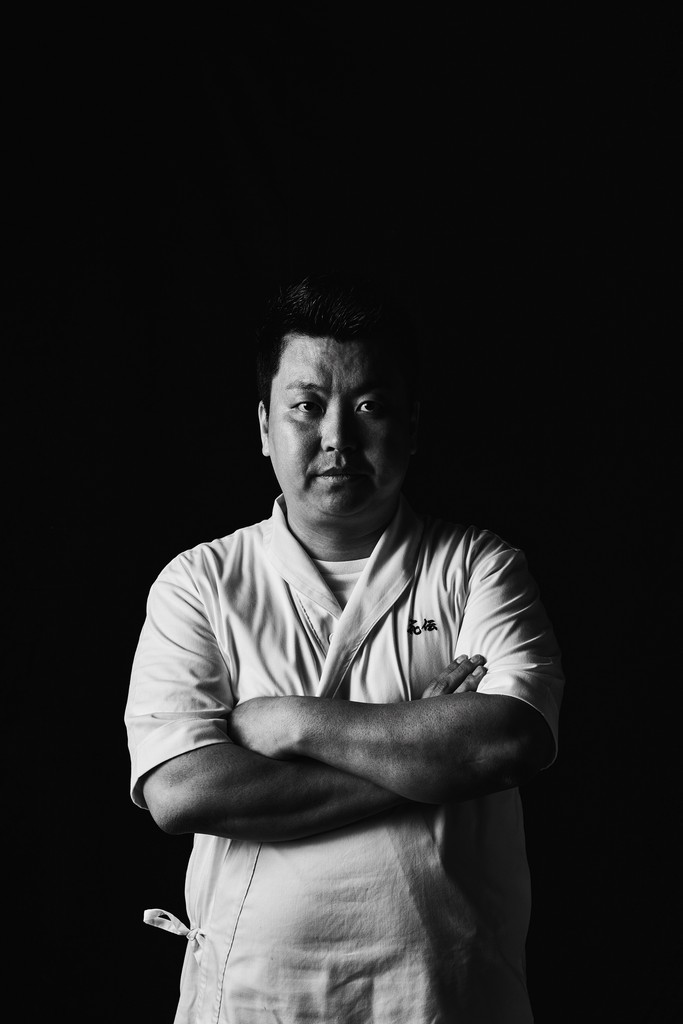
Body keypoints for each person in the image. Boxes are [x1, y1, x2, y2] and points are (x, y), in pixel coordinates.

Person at [125, 273, 564, 1023]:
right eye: (306, 406)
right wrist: (433, 757)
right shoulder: (199, 582)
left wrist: (291, 723)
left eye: (369, 406)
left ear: (411, 425)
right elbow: (183, 792)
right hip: (254, 998)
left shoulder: (479, 568)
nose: (337, 437)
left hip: (445, 996)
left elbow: (509, 742)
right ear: (264, 426)